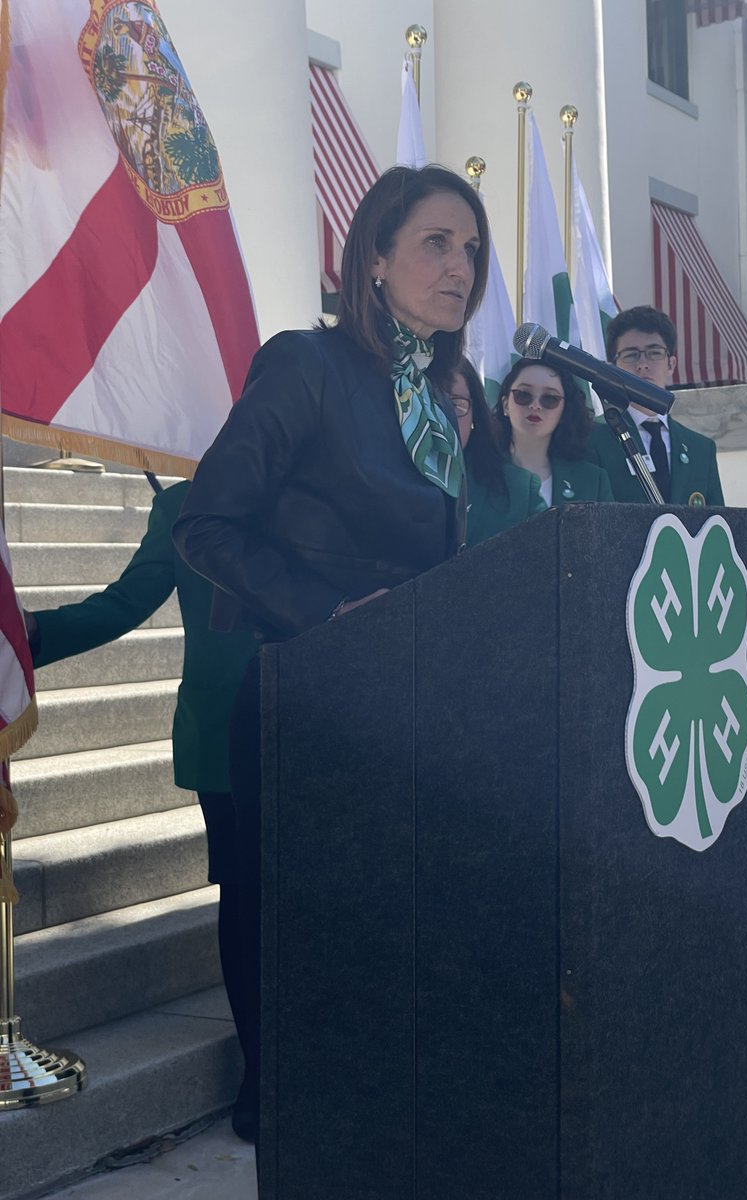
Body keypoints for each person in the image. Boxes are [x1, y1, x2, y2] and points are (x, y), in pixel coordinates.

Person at [171, 164, 490, 1143]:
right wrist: (328, 612)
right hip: (298, 695)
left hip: (401, 709)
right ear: (376, 258)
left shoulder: (448, 398)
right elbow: (206, 523)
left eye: (472, 249)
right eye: (436, 242)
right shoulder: (306, 365)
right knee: (274, 911)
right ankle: (270, 1085)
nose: (460, 266)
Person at [22, 478, 260, 1139]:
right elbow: (125, 603)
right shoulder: (183, 502)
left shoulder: (325, 480)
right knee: (244, 897)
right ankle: (260, 1075)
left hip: (316, 720)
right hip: (220, 728)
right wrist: (30, 632)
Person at [588, 305, 724, 506]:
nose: (643, 364)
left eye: (654, 353)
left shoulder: (701, 449)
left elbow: (717, 526)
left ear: (671, 364)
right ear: (613, 368)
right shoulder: (595, 440)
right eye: (631, 354)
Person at [447, 356, 546, 546]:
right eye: (430, 401)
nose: (443, 415)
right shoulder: (380, 482)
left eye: (456, 404)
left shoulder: (519, 490)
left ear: (475, 415)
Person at [492, 359, 614, 507]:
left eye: (550, 398)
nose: (535, 405)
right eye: (524, 394)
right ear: (505, 405)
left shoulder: (594, 480)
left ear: (564, 411)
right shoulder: (477, 473)